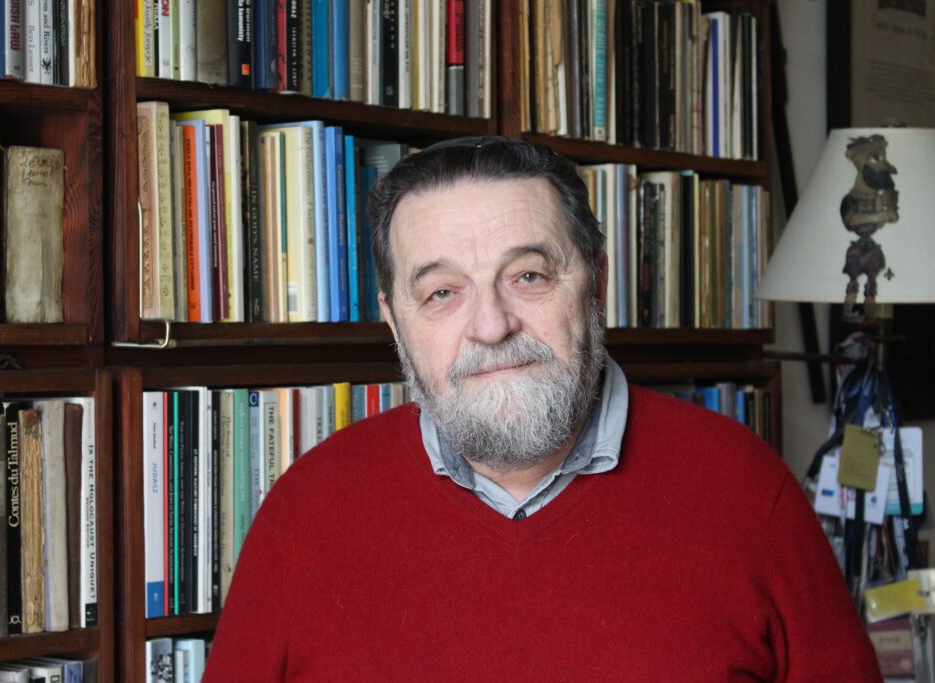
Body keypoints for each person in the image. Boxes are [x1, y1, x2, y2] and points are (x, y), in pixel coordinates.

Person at [203, 137, 881, 681]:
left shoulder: (746, 490)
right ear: (394, 321)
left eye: (528, 275)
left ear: (596, 281)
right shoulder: (305, 512)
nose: (491, 325)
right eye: (442, 293)